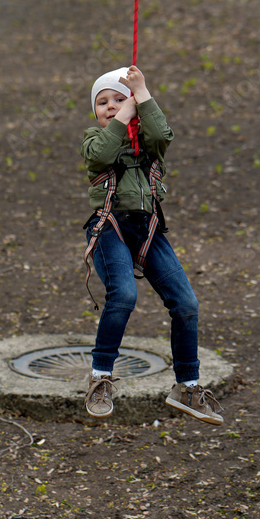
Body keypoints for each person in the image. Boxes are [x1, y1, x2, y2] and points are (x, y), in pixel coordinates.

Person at [81, 65, 223, 425]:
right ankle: (100, 378)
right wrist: (123, 115)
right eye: (103, 102)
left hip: (148, 229)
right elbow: (100, 157)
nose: (111, 106)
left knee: (186, 303)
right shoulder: (93, 139)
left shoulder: (149, 141)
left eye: (118, 98)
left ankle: (187, 386)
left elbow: (164, 133)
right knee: (124, 295)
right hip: (110, 226)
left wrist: (141, 94)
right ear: (94, 112)